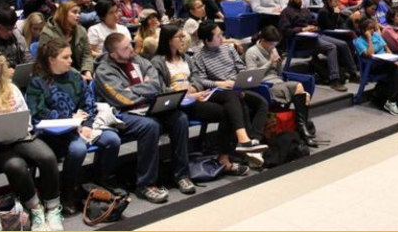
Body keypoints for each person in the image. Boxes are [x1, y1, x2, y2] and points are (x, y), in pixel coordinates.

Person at [0, 52, 64, 231]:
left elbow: (26, 119)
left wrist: (9, 119)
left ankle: (53, 209)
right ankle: (35, 209)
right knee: (15, 165)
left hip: (17, 136)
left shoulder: (10, 88)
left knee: (47, 156)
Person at [94, 33, 195, 203]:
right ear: (114, 54)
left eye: (130, 44)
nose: (131, 49)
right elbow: (122, 98)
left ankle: (181, 175)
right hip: (121, 114)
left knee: (180, 118)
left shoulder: (137, 59)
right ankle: (145, 184)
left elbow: (156, 83)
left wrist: (133, 88)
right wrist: (146, 92)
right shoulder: (103, 71)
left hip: (147, 108)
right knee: (150, 126)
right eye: (125, 48)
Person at [25, 39, 121, 215]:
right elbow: (36, 113)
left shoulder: (75, 76)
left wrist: (86, 123)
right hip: (52, 133)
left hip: (78, 127)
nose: (70, 60)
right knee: (78, 149)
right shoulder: (37, 81)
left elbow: (88, 103)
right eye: (65, 57)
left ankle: (97, 182)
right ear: (51, 59)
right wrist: (69, 118)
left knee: (113, 140)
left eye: (70, 56)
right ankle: (67, 192)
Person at [152, 25, 260, 173]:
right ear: (169, 40)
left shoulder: (186, 58)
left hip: (194, 97)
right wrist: (187, 94)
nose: (183, 39)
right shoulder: (158, 62)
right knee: (230, 106)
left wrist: (195, 90)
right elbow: (161, 89)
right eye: (180, 37)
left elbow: (197, 79)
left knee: (229, 102)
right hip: (178, 103)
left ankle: (232, 149)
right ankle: (235, 148)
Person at [191, 21, 269, 152]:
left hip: (236, 86)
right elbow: (201, 80)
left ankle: (255, 139)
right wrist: (220, 83)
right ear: (207, 40)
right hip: (218, 91)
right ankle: (245, 142)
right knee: (239, 102)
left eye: (221, 34)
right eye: (218, 36)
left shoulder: (229, 49)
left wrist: (242, 82)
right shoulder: (198, 56)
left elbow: (241, 67)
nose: (222, 38)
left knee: (262, 103)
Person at [245, 26, 317, 147]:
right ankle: (304, 131)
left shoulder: (273, 50)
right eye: (271, 44)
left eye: (275, 44)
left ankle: (302, 129)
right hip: (264, 86)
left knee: (300, 88)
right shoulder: (251, 52)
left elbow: (278, 74)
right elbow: (253, 77)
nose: (273, 47)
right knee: (301, 92)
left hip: (278, 82)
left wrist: (279, 63)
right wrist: (270, 62)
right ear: (263, 40)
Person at [279, 0, 359, 91]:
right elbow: (285, 30)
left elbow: (315, 22)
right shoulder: (286, 12)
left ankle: (352, 73)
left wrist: (314, 27)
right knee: (331, 47)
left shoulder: (304, 10)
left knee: (343, 44)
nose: (300, 0)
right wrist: (302, 29)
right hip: (300, 41)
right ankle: (334, 80)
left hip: (314, 36)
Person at [40, 1, 94, 79]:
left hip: (81, 73)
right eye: (74, 12)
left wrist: (87, 71)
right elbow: (48, 61)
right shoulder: (48, 33)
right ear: (63, 14)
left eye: (79, 13)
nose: (78, 15)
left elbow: (87, 54)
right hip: (56, 74)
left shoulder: (81, 30)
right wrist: (78, 76)